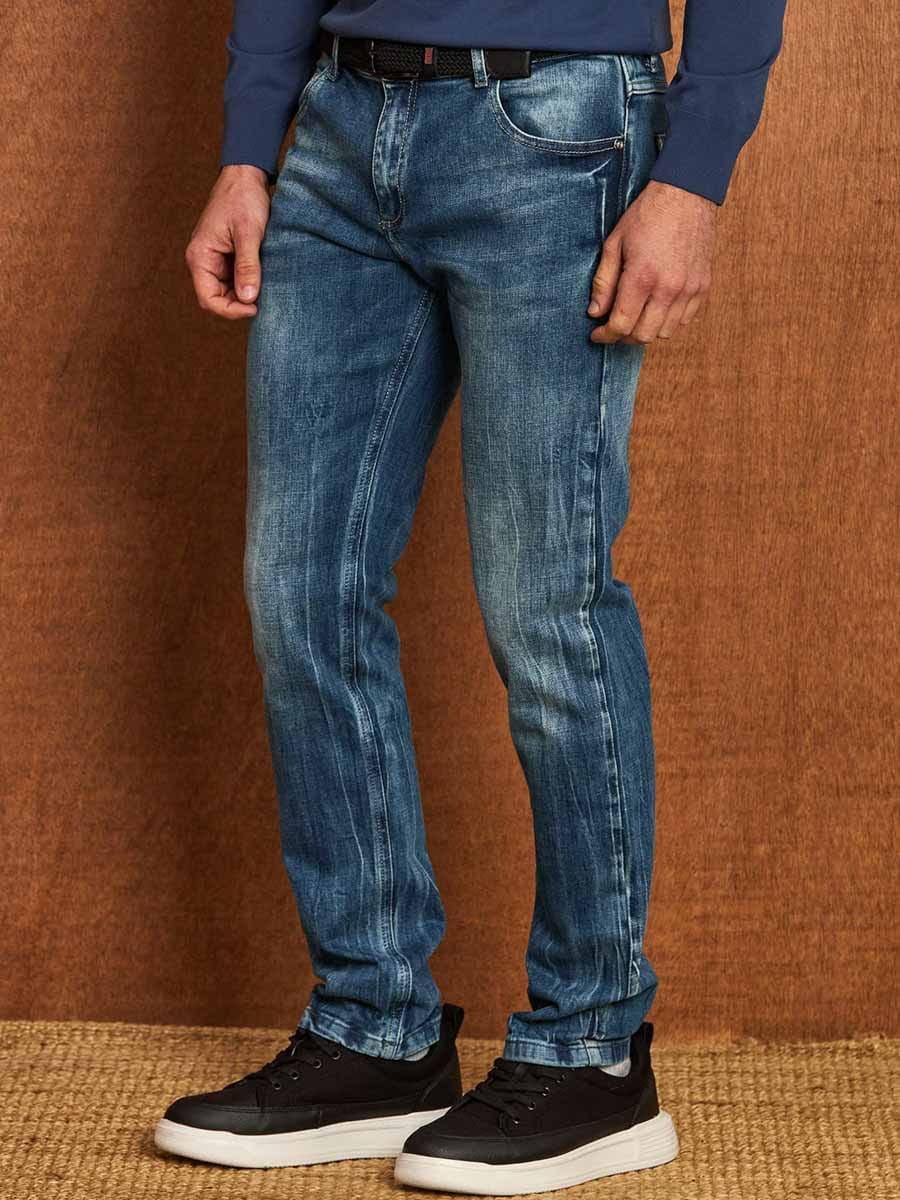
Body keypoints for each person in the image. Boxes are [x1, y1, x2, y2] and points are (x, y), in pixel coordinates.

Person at [155, 0, 786, 1192]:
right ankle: (375, 1030)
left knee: (547, 606)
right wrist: (248, 148)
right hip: (340, 131)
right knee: (301, 593)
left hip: (559, 128)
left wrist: (693, 175)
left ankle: (594, 1049)